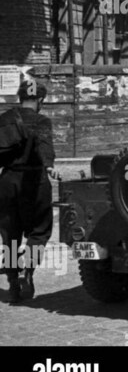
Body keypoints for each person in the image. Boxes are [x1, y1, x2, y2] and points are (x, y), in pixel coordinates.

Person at [0, 80, 58, 303]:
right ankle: (28, 270)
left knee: (10, 235)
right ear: (41, 100)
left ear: (19, 97)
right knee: (39, 231)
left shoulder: (5, 118)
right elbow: (44, 145)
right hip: (34, 180)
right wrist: (50, 165)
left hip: (7, 181)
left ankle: (13, 284)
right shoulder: (42, 121)